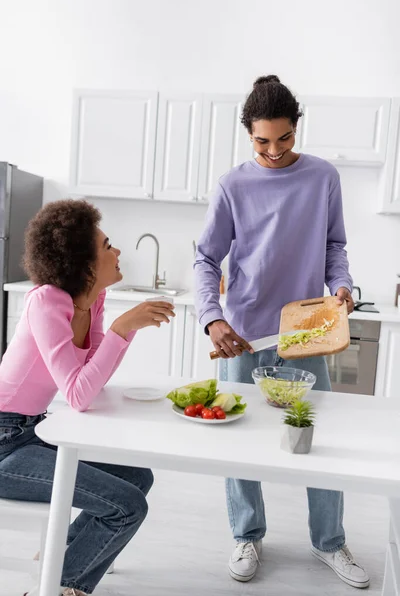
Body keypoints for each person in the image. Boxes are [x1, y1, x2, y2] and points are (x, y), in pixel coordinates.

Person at [194, 75, 369, 589]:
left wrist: (341, 284)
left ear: (297, 129)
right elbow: (206, 258)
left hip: (306, 334)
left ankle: (330, 542)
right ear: (248, 134)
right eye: (261, 141)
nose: (273, 151)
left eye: (284, 139)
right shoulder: (232, 185)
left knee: (317, 440)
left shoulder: (322, 178)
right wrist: (212, 317)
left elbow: (335, 246)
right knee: (239, 443)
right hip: (244, 334)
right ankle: (246, 535)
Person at [0, 199, 175, 596]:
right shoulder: (46, 301)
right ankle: (60, 587)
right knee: (128, 507)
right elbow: (79, 395)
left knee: (138, 478)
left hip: (31, 431)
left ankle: (59, 558)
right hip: (3, 442)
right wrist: (122, 328)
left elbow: (91, 378)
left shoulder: (91, 301)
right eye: (107, 245)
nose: (117, 251)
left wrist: (119, 329)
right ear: (83, 260)